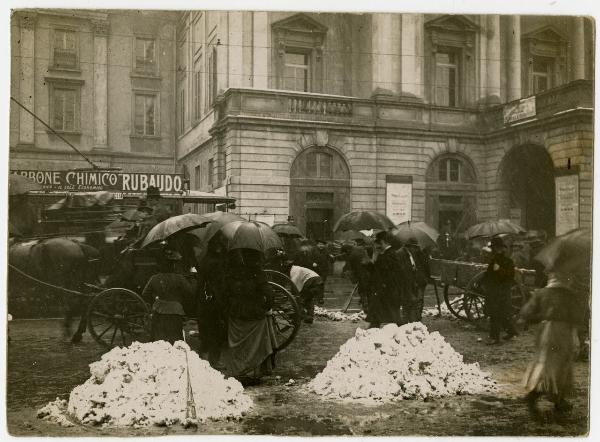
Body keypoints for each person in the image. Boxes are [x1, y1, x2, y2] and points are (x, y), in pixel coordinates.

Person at [519, 274, 587, 417]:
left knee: (546, 363)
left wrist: (543, 316)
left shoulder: (541, 292)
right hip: (562, 334)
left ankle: (558, 399)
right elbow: (578, 317)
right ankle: (535, 395)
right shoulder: (569, 295)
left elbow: (526, 312)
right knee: (560, 365)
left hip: (544, 333)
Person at [221, 249, 277, 385]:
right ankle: (254, 371)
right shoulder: (258, 273)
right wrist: (265, 307)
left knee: (237, 343)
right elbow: (269, 294)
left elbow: (224, 293)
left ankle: (238, 370)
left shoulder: (231, 273)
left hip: (236, 312)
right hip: (254, 312)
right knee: (256, 343)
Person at [142, 249, 194, 344]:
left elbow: (145, 294)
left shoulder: (154, 278)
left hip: (159, 312)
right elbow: (190, 292)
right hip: (175, 312)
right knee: (175, 340)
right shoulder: (179, 278)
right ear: (173, 265)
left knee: (158, 341)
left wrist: (156, 300)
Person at [196, 234, 228, 367]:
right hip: (215, 299)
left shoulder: (204, 260)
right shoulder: (218, 262)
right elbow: (221, 282)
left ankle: (201, 356)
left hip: (204, 299)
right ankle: (214, 361)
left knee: (206, 329)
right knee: (216, 330)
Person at [482, 237, 518, 345]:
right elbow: (489, 275)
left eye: (496, 248)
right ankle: (511, 332)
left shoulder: (508, 261)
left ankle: (494, 338)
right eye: (493, 248)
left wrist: (499, 270)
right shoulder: (493, 260)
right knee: (502, 314)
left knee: (496, 314)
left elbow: (509, 277)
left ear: (502, 249)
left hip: (502, 292)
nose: (494, 250)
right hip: (493, 291)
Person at [371, 231, 404, 327]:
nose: (377, 246)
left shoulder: (388, 255)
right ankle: (373, 328)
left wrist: (375, 257)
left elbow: (385, 273)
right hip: (387, 290)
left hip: (388, 290)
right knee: (383, 314)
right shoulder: (388, 254)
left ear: (383, 242)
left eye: (378, 244)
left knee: (392, 315)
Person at [400, 237, 430, 322]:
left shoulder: (419, 253)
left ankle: (416, 318)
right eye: (414, 247)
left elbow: (425, 265)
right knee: (411, 301)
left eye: (416, 248)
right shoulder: (404, 254)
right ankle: (411, 319)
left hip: (419, 280)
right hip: (411, 281)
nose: (415, 249)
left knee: (418, 300)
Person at [341, 242, 374, 317]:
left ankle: (366, 307)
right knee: (369, 291)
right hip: (371, 273)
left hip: (363, 275)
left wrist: (355, 279)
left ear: (347, 250)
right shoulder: (361, 249)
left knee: (362, 291)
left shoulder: (352, 256)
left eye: (345, 252)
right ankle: (370, 306)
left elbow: (353, 269)